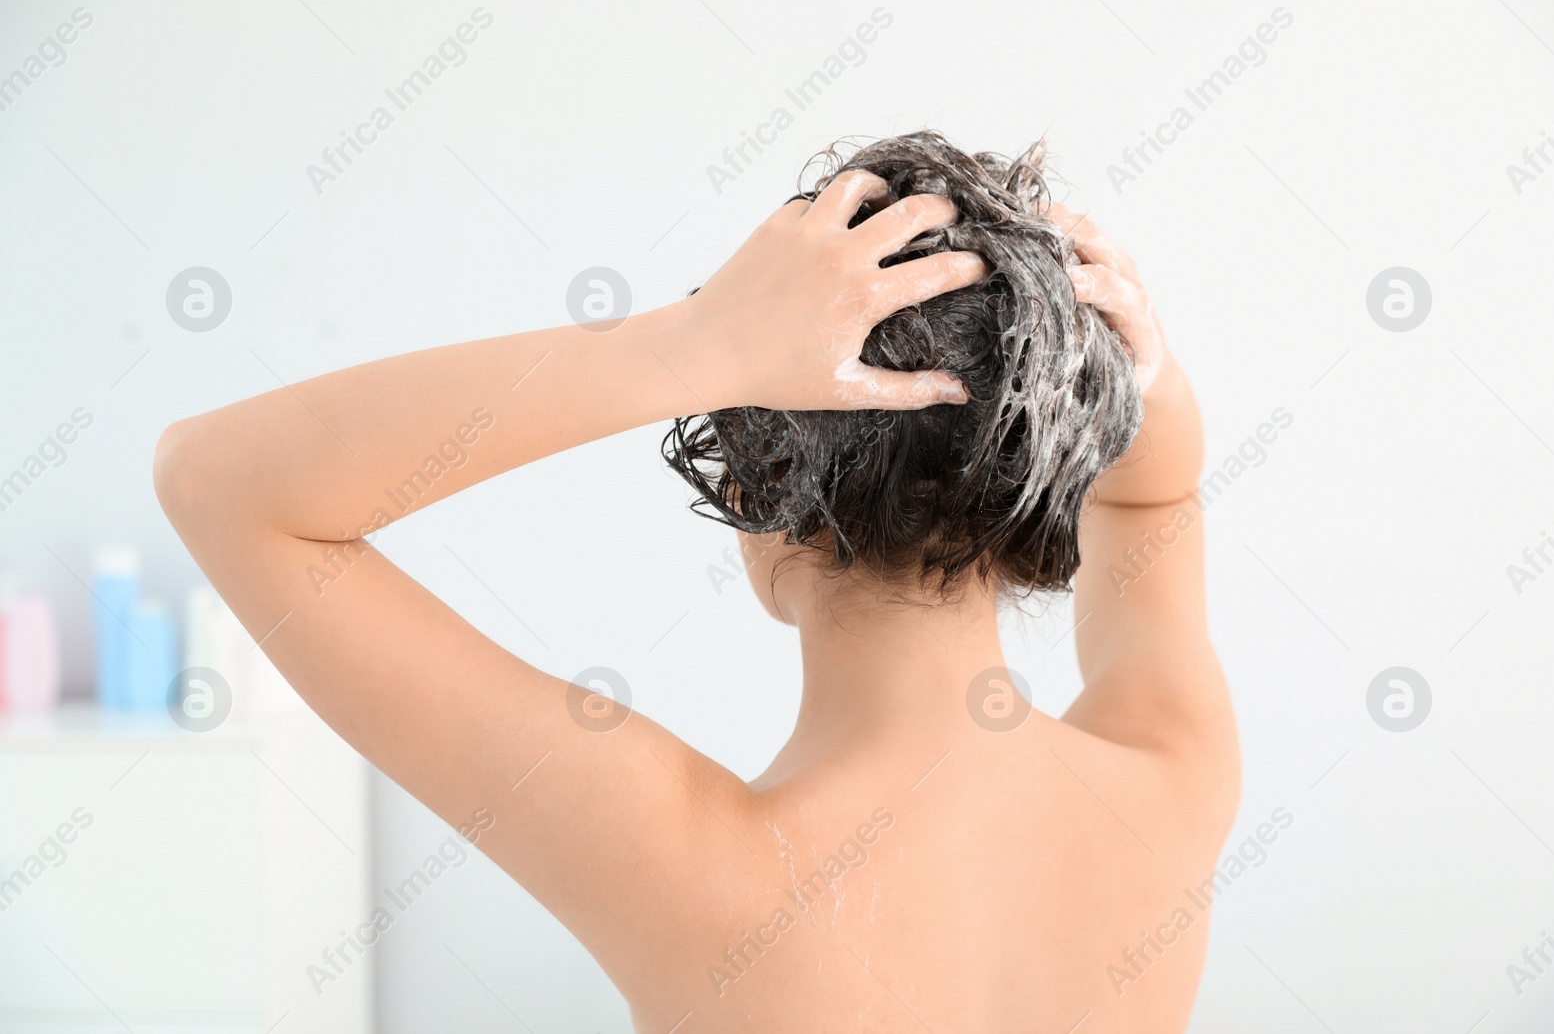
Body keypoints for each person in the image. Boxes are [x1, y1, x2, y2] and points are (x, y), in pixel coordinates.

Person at [154, 131, 1240, 1033]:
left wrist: (694, 344)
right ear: (1040, 484)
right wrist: (1127, 369)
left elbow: (220, 481)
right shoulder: (1169, 781)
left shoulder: (699, 870)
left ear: (763, 504)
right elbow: (1153, 503)